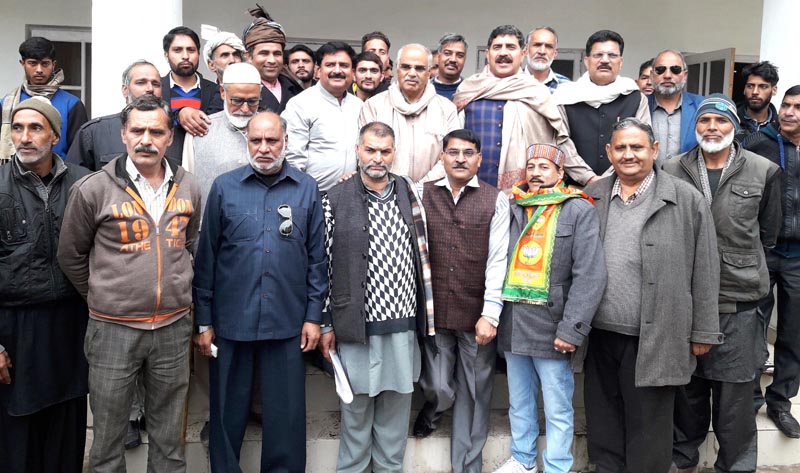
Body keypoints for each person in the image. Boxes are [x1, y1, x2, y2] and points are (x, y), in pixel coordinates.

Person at [58, 94, 201, 473]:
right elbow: (70, 255)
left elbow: (190, 246)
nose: (146, 140)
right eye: (137, 130)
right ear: (123, 134)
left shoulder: (189, 187)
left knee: (170, 441)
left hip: (172, 328)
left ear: (170, 137)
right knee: (108, 439)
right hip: (112, 330)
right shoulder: (93, 189)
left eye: (156, 131)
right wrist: (104, 296)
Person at [583, 118, 722, 473]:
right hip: (600, 334)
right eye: (621, 148)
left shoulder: (685, 198)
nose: (629, 155)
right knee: (604, 422)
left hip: (657, 334)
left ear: (655, 150)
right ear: (609, 152)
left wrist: (703, 330)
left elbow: (705, 268)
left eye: (637, 147)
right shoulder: (594, 196)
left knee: (649, 429)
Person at [193, 111, 327, 473]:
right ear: (247, 142)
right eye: (256, 141)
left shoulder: (306, 188)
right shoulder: (225, 187)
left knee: (285, 416)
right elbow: (207, 258)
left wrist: (314, 316)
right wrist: (203, 320)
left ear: (286, 142)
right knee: (225, 415)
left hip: (287, 322)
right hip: (231, 321)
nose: (264, 148)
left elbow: (317, 259)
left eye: (272, 141)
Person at [665, 93, 781, 473]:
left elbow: (768, 234)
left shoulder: (763, 170)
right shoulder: (671, 169)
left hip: (738, 299)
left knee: (734, 395)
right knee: (688, 389)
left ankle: (735, 466)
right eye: (704, 121)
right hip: (684, 297)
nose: (712, 128)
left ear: (735, 126)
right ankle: (683, 457)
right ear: (694, 127)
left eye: (721, 121)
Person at [318, 122, 435, 473]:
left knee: (395, 416)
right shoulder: (335, 198)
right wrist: (325, 322)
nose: (377, 158)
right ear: (357, 151)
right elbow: (322, 265)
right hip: (356, 327)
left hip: (402, 326)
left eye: (385, 151)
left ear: (393, 153)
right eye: (370, 150)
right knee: (355, 414)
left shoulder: (409, 191)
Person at [494, 143, 606, 473]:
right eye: (531, 166)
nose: (536, 172)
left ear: (561, 173)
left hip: (553, 323)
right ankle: (523, 459)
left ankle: (557, 466)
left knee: (557, 405)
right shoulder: (514, 205)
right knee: (520, 401)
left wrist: (572, 329)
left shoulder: (577, 209)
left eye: (545, 166)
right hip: (515, 319)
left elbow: (590, 274)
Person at [0, 97, 89, 473]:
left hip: (71, 328)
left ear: (55, 135)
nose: (24, 137)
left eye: (35, 128)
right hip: (15, 330)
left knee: (65, 440)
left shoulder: (85, 184)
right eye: (17, 128)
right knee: (17, 443)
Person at [412, 129, 509, 473]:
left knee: (475, 394)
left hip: (475, 314)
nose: (460, 159)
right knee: (438, 385)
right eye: (453, 152)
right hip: (433, 312)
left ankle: (466, 468)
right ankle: (434, 409)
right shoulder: (421, 194)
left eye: (468, 153)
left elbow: (499, 259)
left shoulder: (495, 199)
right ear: (442, 157)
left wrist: (491, 313)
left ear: (479, 160)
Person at [454, 25, 595, 190]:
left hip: (523, 196)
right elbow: (447, 142)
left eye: (511, 47)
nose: (503, 53)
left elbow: (560, 143)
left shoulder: (538, 94)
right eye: (497, 47)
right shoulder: (468, 90)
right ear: (488, 53)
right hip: (470, 190)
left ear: (523, 54)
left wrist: (588, 178)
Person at [742, 85, 800, 438]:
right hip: (764, 252)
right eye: (788, 105)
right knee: (752, 330)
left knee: (793, 333)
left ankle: (781, 402)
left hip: (799, 258)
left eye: (798, 107)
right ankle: (748, 401)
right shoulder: (758, 143)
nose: (791, 112)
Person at [553, 29, 650, 177]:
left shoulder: (635, 97)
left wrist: (608, 178)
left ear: (621, 61)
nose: (605, 60)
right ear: (587, 61)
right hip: (574, 187)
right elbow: (561, 141)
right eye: (598, 55)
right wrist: (587, 178)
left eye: (612, 55)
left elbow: (641, 141)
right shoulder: (565, 96)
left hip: (624, 183)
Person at [360, 43, 460, 183]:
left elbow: (453, 154)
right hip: (383, 192)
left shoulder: (446, 109)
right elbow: (367, 152)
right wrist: (393, 190)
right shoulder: (374, 105)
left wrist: (421, 188)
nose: (412, 73)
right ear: (397, 69)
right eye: (406, 67)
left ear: (429, 72)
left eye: (419, 68)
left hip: (432, 191)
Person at [67, 60, 182, 171]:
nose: (150, 89)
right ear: (125, 90)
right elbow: (73, 179)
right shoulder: (93, 132)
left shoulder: (174, 133)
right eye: (141, 82)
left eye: (155, 84)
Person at [183, 62, 262, 213]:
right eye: (237, 100)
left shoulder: (272, 130)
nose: (245, 109)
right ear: (222, 92)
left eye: (252, 101)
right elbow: (187, 187)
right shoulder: (200, 130)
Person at [282, 42, 362, 191]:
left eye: (344, 65)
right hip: (312, 195)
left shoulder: (359, 106)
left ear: (352, 72)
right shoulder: (300, 104)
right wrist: (301, 194)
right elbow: (293, 157)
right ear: (318, 70)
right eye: (330, 65)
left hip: (351, 194)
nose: (337, 70)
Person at [1, 36, 88, 162]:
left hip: (60, 177)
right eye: (33, 63)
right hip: (14, 177)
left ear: (53, 65)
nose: (39, 70)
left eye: (45, 64)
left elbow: (79, 154)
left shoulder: (72, 105)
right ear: (23, 63)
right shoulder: (5, 104)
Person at [161, 26, 220, 156]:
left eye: (191, 50)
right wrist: (179, 114)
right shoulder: (155, 89)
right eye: (177, 50)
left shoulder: (216, 91)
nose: (185, 56)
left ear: (198, 54)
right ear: (166, 55)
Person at [243, 5, 304, 114]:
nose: (272, 60)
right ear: (248, 56)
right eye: (264, 53)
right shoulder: (239, 89)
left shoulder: (295, 89)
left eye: (277, 54)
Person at [648, 50, 704, 159]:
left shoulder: (701, 106)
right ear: (652, 75)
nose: (667, 75)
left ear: (685, 75)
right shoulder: (639, 105)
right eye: (660, 70)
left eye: (675, 70)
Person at [202, 29, 246, 115]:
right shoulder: (206, 96)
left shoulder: (256, 90)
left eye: (236, 55)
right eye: (225, 55)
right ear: (211, 65)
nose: (232, 60)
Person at [736, 61, 780, 141]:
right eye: (750, 86)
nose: (755, 92)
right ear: (744, 89)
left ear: (774, 90)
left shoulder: (781, 126)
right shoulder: (731, 121)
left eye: (763, 87)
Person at [523, 26, 570, 92]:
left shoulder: (566, 86)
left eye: (548, 47)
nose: (542, 51)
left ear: (555, 53)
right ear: (525, 50)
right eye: (537, 45)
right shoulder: (510, 82)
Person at [433, 33, 468, 101]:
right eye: (447, 53)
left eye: (459, 55)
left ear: (464, 59)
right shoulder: (423, 89)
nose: (453, 59)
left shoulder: (471, 91)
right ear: (439, 56)